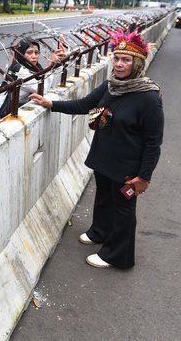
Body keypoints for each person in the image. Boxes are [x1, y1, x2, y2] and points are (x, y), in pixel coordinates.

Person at [30, 30, 164, 269]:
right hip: (104, 158)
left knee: (123, 208)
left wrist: (144, 177)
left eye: (126, 60)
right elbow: (84, 104)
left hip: (127, 165)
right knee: (103, 198)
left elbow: (154, 142)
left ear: (137, 63)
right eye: (117, 58)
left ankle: (117, 255)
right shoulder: (111, 86)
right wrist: (51, 103)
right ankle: (100, 232)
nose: (120, 64)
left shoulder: (149, 97)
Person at [0, 37, 63, 126]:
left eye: (36, 53)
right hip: (2, 110)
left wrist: (57, 65)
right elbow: (42, 88)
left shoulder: (35, 67)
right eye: (29, 53)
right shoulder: (20, 70)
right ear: (21, 53)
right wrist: (50, 65)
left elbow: (51, 83)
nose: (34, 56)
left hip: (13, 107)